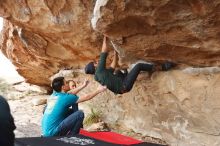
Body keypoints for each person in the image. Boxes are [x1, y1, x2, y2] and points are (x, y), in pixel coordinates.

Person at [85, 36, 175, 94]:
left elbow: (113, 66)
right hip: (124, 85)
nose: (97, 62)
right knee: (139, 66)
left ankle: (126, 74)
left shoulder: (98, 76)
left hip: (121, 87)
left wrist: (115, 53)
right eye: (95, 63)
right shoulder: (99, 70)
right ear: (94, 67)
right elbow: (104, 51)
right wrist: (105, 36)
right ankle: (163, 67)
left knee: (117, 71)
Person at [41, 77, 106, 137]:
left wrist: (83, 86)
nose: (67, 83)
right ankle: (72, 137)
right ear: (63, 87)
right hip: (53, 134)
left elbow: (71, 92)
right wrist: (99, 90)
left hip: (45, 132)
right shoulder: (65, 98)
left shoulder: (54, 94)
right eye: (66, 83)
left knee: (71, 111)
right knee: (80, 114)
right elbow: (87, 97)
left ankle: (71, 131)